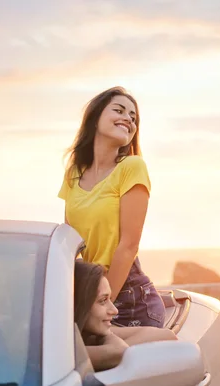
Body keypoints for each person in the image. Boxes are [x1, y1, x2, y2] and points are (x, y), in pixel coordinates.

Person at [58, 86, 166, 328]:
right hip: (90, 292)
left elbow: (128, 246)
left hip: (127, 298)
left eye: (133, 117)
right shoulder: (74, 174)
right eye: (119, 110)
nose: (128, 118)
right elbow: (69, 243)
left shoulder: (132, 167)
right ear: (95, 119)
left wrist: (104, 303)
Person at [74, 260, 176, 372]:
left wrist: (105, 337)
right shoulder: (64, 352)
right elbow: (119, 352)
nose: (115, 310)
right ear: (77, 304)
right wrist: (108, 342)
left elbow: (167, 335)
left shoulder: (82, 336)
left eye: (110, 299)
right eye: (103, 300)